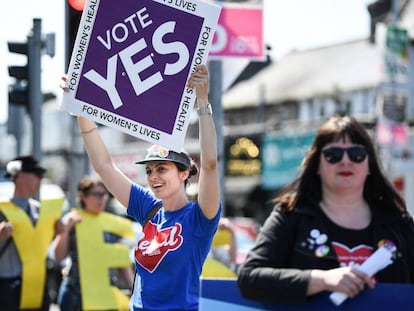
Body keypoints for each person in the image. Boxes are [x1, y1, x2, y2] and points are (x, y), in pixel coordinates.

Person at [64, 64, 221, 310]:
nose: (153, 176)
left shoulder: (200, 219)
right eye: (149, 170)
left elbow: (210, 165)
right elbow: (104, 167)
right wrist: (81, 111)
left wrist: (202, 101)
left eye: (161, 169)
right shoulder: (149, 209)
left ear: (183, 173)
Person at [237, 115, 414, 304]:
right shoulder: (291, 215)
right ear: (317, 165)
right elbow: (250, 277)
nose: (345, 161)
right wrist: (321, 280)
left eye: (356, 154)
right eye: (333, 155)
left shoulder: (397, 222)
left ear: (369, 165)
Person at [53, 175, 135, 311]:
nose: (102, 199)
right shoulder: (72, 220)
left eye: (104, 195)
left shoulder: (112, 224)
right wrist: (65, 230)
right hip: (77, 292)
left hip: (104, 294)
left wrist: (134, 291)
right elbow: (59, 256)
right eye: (97, 194)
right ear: (83, 197)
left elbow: (122, 262)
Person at [0, 155, 62, 311]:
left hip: (37, 284)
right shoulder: (2, 208)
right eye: (37, 174)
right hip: (9, 285)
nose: (40, 179)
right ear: (21, 176)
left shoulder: (40, 210)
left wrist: (57, 233)